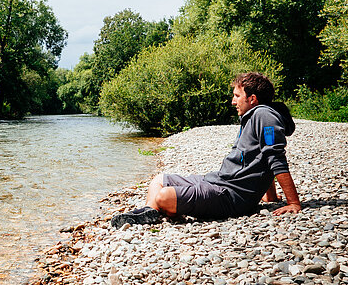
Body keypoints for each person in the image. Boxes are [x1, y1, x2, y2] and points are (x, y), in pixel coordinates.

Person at [111, 72, 301, 228]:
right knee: (159, 180)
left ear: (252, 99)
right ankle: (149, 213)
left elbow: (274, 158)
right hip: (218, 181)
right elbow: (261, 157)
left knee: (163, 196)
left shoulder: (264, 116)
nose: (233, 102)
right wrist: (271, 196)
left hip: (230, 196)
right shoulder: (255, 115)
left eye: (236, 96)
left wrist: (293, 203)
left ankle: (158, 208)